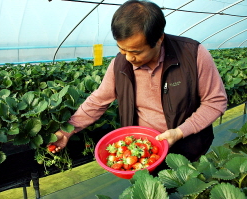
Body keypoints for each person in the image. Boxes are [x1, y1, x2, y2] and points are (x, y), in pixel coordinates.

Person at [49, 0, 227, 171]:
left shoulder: (192, 55)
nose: (128, 57)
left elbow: (215, 101)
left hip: (188, 149)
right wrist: (67, 131)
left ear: (158, 39)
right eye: (122, 49)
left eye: (135, 52)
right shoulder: (120, 65)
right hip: (142, 152)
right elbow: (97, 102)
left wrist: (179, 132)